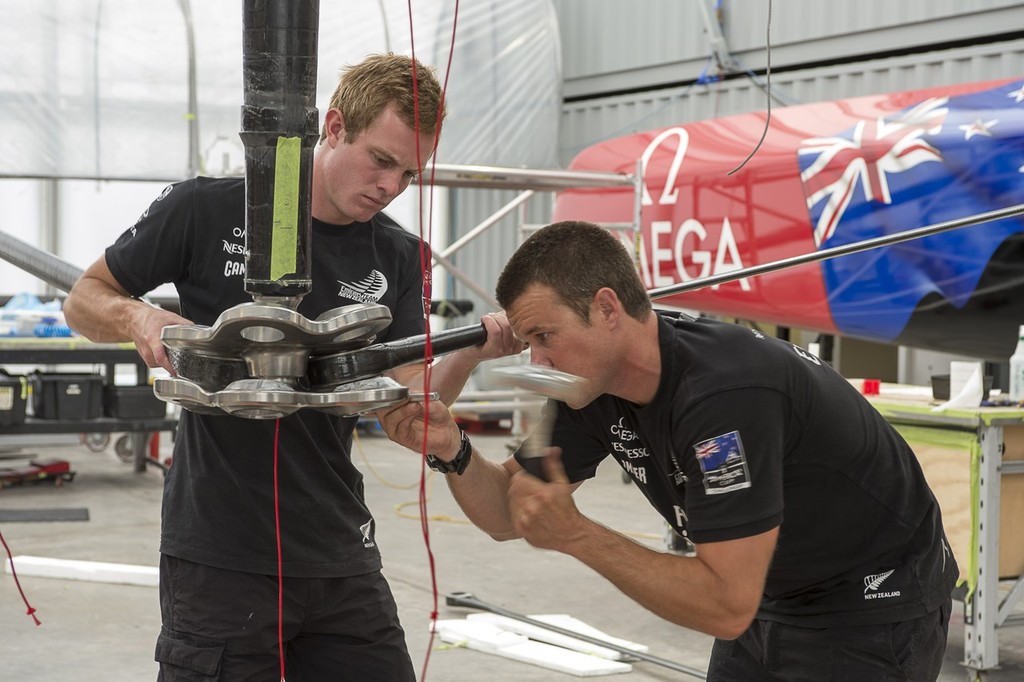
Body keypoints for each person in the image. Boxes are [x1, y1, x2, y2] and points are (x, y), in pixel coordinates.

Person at [63, 53, 521, 681]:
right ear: (334, 126)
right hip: (221, 552)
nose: (390, 186)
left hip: (338, 550)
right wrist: (138, 318)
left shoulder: (399, 254)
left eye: (410, 174)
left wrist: (471, 350)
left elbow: (403, 408)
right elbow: (83, 298)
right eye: (381, 160)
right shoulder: (207, 208)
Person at [379, 219, 960, 681]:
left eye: (545, 337)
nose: (538, 363)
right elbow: (511, 513)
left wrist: (579, 534)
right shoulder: (592, 386)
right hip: (769, 594)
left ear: (607, 308)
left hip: (869, 604)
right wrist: (452, 449)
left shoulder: (724, 395)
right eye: (529, 343)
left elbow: (724, 603)